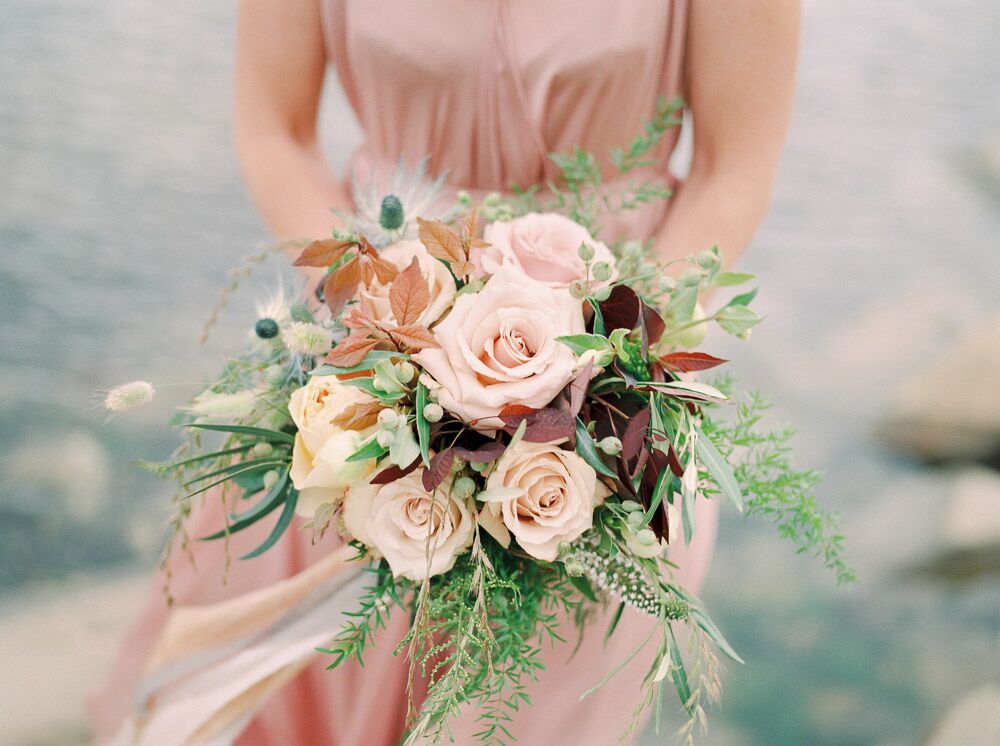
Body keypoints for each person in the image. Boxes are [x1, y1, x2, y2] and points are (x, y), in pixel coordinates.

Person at [91, 2, 799, 743]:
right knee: (309, 684)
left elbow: (731, 168)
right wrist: (380, 316)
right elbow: (277, 130)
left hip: (609, 417)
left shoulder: (610, 385)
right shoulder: (371, 349)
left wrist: (602, 364)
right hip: (369, 371)